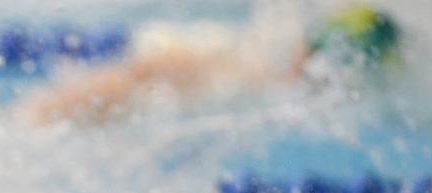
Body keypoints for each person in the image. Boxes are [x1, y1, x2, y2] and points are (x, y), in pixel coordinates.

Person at [29, 5, 403, 124]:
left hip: (192, 70)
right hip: (194, 68)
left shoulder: (255, 76)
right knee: (138, 78)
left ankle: (38, 116)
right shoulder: (244, 72)